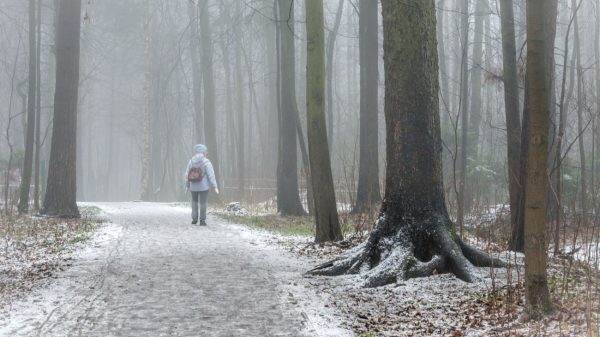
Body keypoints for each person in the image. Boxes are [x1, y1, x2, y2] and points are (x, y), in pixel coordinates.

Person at [185, 144, 219, 225]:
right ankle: (202, 220)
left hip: (193, 186)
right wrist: (215, 186)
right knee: (203, 203)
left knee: (194, 202)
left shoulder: (191, 161)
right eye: (206, 151)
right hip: (204, 186)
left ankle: (194, 219)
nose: (207, 152)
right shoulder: (206, 162)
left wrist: (187, 186)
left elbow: (187, 174)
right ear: (203, 151)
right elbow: (211, 175)